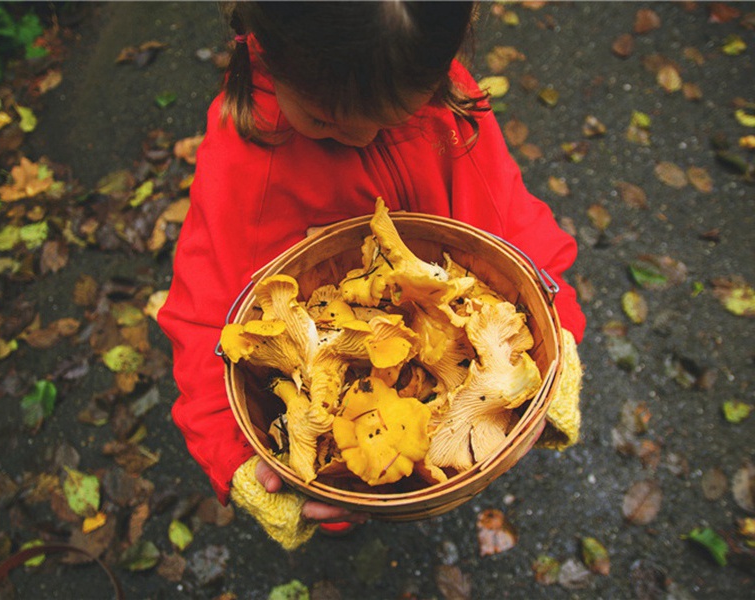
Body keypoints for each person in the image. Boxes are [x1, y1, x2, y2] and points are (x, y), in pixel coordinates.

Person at [158, 1, 586, 550]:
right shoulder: (245, 159)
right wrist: (240, 459)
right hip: (339, 433)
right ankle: (344, 514)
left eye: (389, 119)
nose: (361, 138)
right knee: (343, 490)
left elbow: (505, 215)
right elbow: (201, 317)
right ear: (268, 42)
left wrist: (559, 339)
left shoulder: (441, 94)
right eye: (324, 121)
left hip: (444, 385)